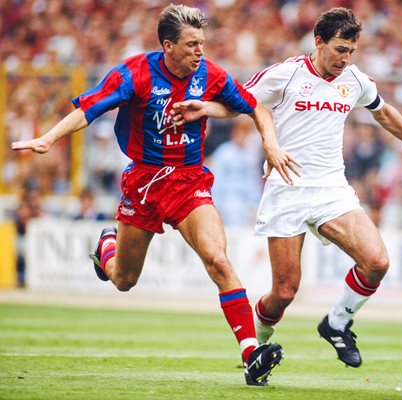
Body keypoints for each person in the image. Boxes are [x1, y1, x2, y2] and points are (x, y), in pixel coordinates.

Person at [11, 4, 301, 386]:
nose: (201, 51)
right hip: (144, 184)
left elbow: (256, 109)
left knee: (217, 259)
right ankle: (108, 248)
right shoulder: (134, 73)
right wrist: (49, 138)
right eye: (192, 44)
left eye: (202, 43)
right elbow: (88, 110)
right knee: (124, 280)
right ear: (168, 45)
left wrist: (271, 144)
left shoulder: (210, 74)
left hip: (189, 181)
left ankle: (250, 353)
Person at [170, 7, 402, 368]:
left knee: (377, 262)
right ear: (319, 42)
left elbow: (384, 113)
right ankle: (255, 345)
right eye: (339, 49)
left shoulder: (355, 80)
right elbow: (243, 103)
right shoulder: (286, 75)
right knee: (284, 292)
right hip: (286, 189)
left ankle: (337, 323)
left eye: (351, 51)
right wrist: (206, 108)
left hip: (331, 189)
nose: (345, 59)